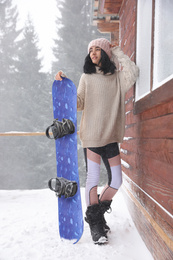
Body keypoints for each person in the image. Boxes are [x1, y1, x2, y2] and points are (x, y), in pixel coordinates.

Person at [55, 38, 139, 245]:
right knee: (92, 180)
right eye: (90, 50)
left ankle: (95, 214)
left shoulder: (118, 78)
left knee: (116, 181)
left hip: (110, 138)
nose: (93, 52)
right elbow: (78, 103)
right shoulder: (87, 77)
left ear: (106, 53)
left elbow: (133, 73)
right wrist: (63, 85)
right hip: (91, 137)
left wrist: (116, 49)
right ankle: (95, 226)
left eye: (98, 49)